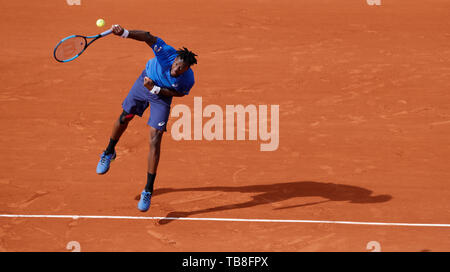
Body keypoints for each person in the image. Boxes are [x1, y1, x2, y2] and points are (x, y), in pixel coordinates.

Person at [96, 24, 197, 212]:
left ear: (186, 69)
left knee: (156, 138)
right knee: (125, 117)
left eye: (181, 69)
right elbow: (148, 37)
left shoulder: (187, 79)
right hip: (144, 82)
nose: (176, 70)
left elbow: (179, 94)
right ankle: (109, 152)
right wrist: (125, 33)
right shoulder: (166, 52)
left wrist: (157, 89)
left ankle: (148, 189)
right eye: (176, 65)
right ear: (174, 59)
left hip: (161, 95)